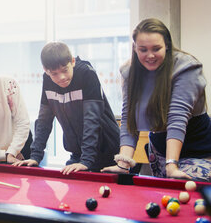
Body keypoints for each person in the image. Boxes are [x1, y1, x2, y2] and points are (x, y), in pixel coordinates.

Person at [101, 18, 211, 182]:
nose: (150, 55)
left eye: (156, 48)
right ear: (135, 48)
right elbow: (129, 119)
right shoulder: (129, 72)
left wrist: (172, 165)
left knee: (183, 192)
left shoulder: (186, 67)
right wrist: (123, 163)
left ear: (166, 45)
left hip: (198, 148)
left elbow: (177, 118)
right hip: (160, 149)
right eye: (143, 49)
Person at [13, 42, 120, 174]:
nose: (61, 77)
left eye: (65, 70)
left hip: (109, 152)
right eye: (54, 74)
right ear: (46, 70)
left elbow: (91, 120)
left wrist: (86, 161)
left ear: (73, 61)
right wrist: (35, 156)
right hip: (78, 154)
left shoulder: (86, 73)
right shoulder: (47, 79)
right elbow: (44, 121)